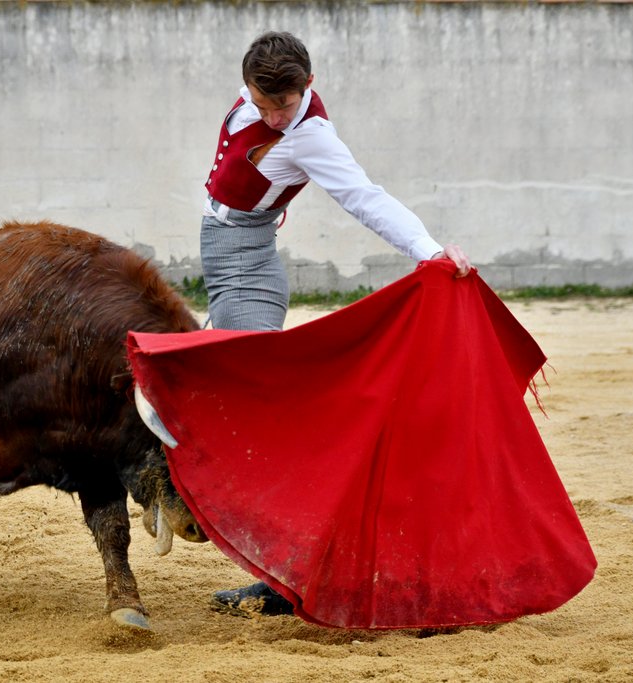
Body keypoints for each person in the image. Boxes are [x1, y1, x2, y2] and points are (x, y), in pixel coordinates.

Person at [200, 31, 472, 617]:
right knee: (195, 378)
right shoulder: (264, 85)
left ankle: (284, 579)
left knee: (261, 417)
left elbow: (364, 197)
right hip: (229, 256)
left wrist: (428, 252)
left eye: (285, 106)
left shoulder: (311, 136)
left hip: (244, 263)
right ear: (247, 83)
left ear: (310, 86)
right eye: (263, 104)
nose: (274, 117)